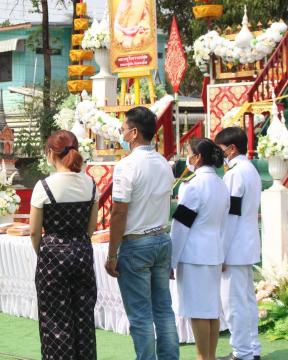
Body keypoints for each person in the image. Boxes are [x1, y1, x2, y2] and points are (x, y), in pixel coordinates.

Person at [105, 106, 179, 360]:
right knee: (164, 309)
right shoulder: (163, 163)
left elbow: (119, 213)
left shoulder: (127, 165)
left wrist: (112, 253)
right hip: (160, 238)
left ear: (134, 133)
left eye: (124, 129)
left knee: (140, 314)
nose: (122, 132)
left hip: (137, 243)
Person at [30, 130, 99, 359]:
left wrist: (43, 251)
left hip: (52, 256)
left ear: (50, 154)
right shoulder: (90, 183)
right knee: (83, 318)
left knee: (55, 321)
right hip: (81, 252)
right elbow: (91, 228)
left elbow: (33, 231)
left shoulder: (44, 186)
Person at [171, 138, 229, 360]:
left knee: (198, 311)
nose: (188, 157)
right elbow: (224, 223)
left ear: (198, 158)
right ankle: (209, 356)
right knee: (210, 309)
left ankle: (203, 357)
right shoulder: (221, 184)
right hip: (213, 252)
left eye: (189, 153)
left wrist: (171, 260)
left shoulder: (194, 186)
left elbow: (180, 227)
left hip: (194, 255)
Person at [215, 128, 262, 360]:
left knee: (233, 303)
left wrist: (221, 252)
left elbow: (231, 216)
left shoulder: (234, 173)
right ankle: (252, 349)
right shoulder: (250, 169)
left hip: (234, 247)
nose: (221, 155)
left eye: (222, 150)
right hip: (247, 243)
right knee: (247, 301)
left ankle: (241, 352)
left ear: (232, 149)